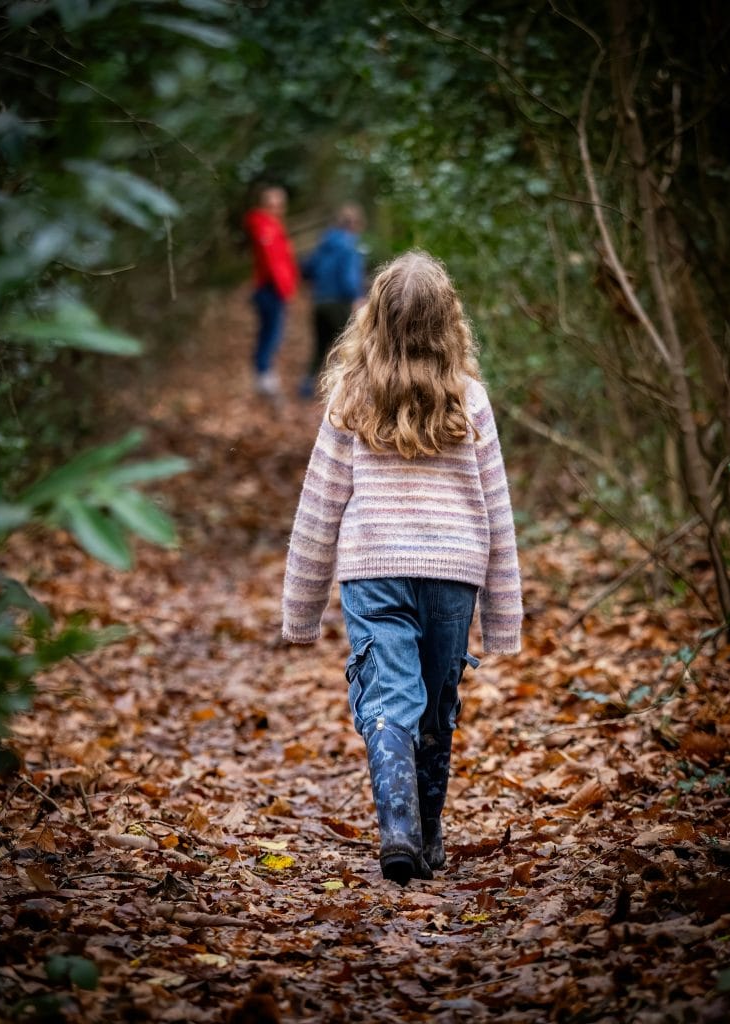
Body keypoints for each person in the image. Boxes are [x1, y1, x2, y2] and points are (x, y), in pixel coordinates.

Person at [281, 251, 522, 885]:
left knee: (391, 700)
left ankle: (402, 831)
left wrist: (299, 613)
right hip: (453, 571)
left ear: (376, 320)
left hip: (375, 568)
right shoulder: (469, 399)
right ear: (449, 323)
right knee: (437, 704)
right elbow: (497, 513)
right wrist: (504, 619)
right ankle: (427, 835)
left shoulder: (351, 398)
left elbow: (319, 509)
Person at [299, 203, 366, 398]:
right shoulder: (349, 246)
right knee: (347, 348)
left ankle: (306, 387)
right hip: (339, 304)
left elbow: (307, 269)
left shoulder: (324, 243)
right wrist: (357, 296)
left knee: (320, 347)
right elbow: (348, 278)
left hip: (319, 302)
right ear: (354, 224)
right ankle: (344, 394)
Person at [243, 186, 299, 396]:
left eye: (279, 205)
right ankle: (263, 374)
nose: (276, 209)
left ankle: (264, 372)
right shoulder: (263, 226)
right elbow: (272, 262)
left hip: (275, 289)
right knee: (271, 333)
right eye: (271, 205)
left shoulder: (273, 226)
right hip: (270, 289)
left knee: (273, 332)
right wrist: (284, 288)